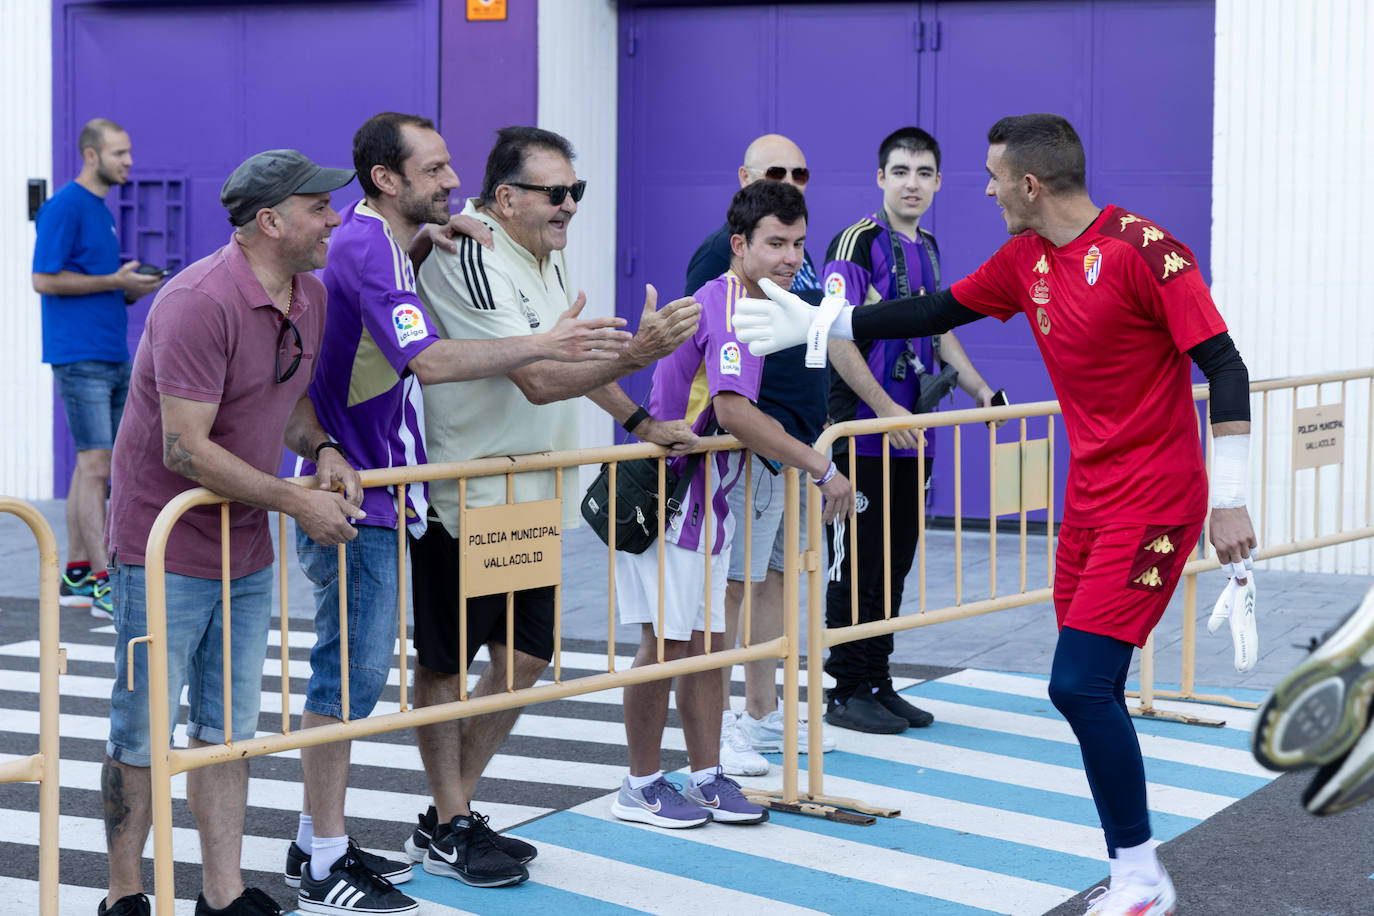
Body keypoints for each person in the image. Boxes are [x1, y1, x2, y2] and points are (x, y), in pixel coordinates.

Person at [732, 113, 1257, 916]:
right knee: (1091, 687)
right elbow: (937, 312)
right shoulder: (1025, 259)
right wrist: (823, 322)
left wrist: (1230, 500)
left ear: (1031, 185)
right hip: (1086, 499)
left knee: (1079, 685)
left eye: (991, 175)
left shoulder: (1146, 253)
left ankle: (1142, 875)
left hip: (1156, 500)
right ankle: (1134, 862)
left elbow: (1223, 363)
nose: (982, 188)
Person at [283, 113, 633, 913]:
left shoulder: (403, 244)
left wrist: (605, 384)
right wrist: (553, 346)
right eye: (437, 170)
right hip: (383, 491)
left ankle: (365, 833)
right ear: (388, 178)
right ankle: (330, 852)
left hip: (408, 490)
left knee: (415, 668)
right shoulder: (373, 243)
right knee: (353, 677)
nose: (452, 183)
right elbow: (432, 362)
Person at [406, 126, 701, 884]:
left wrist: (638, 417)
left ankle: (450, 818)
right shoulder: (471, 252)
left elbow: (567, 356)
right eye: (555, 192)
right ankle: (450, 820)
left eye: (577, 191)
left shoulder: (547, 250)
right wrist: (636, 355)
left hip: (529, 490)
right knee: (447, 663)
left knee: (527, 656)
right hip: (463, 490)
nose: (570, 204)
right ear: (505, 197)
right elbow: (535, 376)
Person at [100, 150, 366, 916]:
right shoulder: (195, 302)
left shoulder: (308, 295)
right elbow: (184, 446)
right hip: (163, 547)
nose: (333, 220)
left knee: (227, 730)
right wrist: (294, 501)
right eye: (319, 207)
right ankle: (124, 896)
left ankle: (224, 893)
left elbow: (285, 401)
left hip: (243, 547)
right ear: (269, 221)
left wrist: (322, 450)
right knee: (142, 729)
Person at [612, 179, 853, 829]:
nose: (790, 257)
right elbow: (735, 412)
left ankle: (708, 775)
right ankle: (639, 784)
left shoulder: (751, 303)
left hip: (711, 503)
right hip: (670, 499)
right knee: (664, 646)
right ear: (739, 243)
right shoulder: (722, 304)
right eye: (776, 243)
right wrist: (820, 464)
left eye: (799, 244)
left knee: (711, 645)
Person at [820, 127, 1001, 735]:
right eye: (900, 171)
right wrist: (885, 411)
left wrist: (979, 388)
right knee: (858, 564)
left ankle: (877, 679)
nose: (912, 183)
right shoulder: (855, 241)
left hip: (912, 440)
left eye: (924, 173)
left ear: (939, 182)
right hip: (860, 439)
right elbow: (835, 334)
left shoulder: (928, 245)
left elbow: (939, 329)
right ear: (880, 179)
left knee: (895, 563)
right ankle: (845, 689)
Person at [684, 133, 836, 776]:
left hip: (787, 452)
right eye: (777, 172)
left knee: (770, 581)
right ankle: (721, 732)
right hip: (745, 458)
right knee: (729, 594)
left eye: (800, 171)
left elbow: (826, 334)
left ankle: (759, 712)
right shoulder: (724, 270)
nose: (789, 253)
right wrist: (818, 462)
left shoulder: (791, 257)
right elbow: (728, 401)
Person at [32, 118, 165, 619]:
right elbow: (44, 279)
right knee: (97, 469)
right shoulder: (66, 205)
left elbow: (91, 281)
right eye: (119, 153)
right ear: (92, 156)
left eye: (128, 151)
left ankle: (75, 572)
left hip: (110, 353)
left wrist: (126, 287)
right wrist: (111, 279)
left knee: (88, 468)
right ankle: (107, 584)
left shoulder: (100, 210)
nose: (128, 160)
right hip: (80, 356)